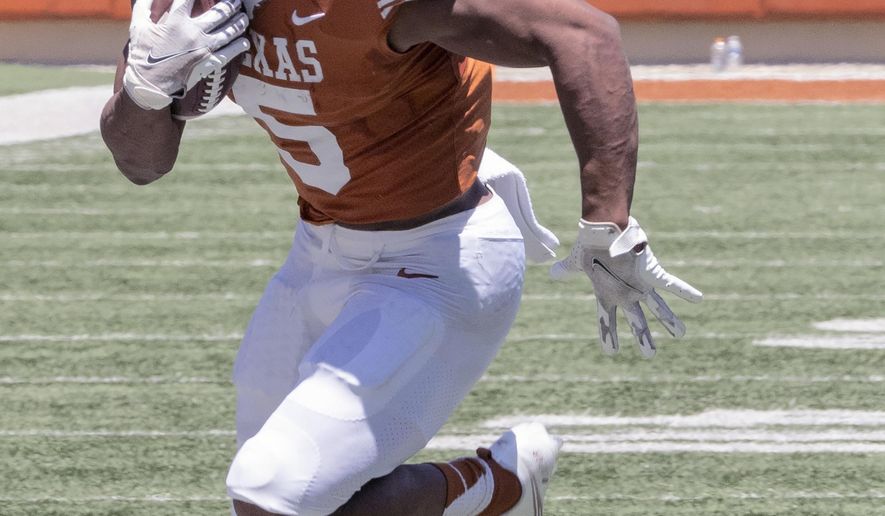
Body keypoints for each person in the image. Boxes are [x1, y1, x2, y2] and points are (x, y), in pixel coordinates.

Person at [100, 0, 703, 514]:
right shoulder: (181, 8)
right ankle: (498, 491)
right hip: (317, 252)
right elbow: (142, 162)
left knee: (270, 491)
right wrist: (146, 90)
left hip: (437, 260)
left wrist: (608, 220)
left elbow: (582, 33)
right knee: (280, 492)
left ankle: (493, 487)